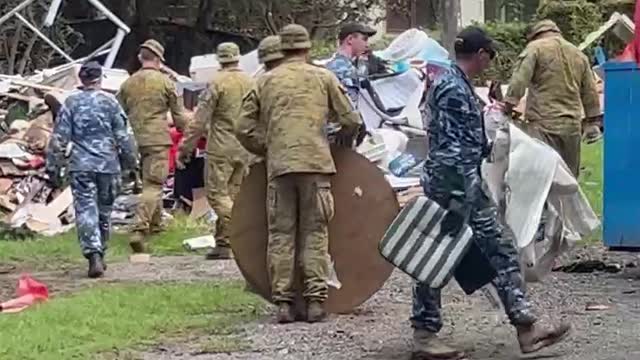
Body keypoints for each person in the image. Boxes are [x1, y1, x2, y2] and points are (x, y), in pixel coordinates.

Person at [413, 26, 571, 359]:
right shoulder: (454, 88)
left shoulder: (447, 81)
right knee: (496, 249)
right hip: (458, 184)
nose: (491, 62)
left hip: (448, 180)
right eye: (491, 55)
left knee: (437, 253)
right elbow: (459, 147)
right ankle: (524, 328)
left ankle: (428, 333)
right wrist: (470, 189)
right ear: (481, 55)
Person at [236, 24, 363, 324]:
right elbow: (351, 119)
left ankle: (283, 304)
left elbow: (242, 127)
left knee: (281, 234)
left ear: (282, 48)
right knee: (315, 233)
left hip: (279, 167)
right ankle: (316, 302)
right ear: (307, 48)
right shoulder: (323, 77)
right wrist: (338, 143)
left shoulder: (265, 81)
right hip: (316, 166)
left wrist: (267, 147)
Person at [46, 61, 137, 278]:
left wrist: (53, 167)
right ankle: (101, 251)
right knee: (104, 211)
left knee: (86, 209)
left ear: (81, 79)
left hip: (81, 165)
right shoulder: (111, 103)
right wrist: (131, 163)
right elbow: (124, 138)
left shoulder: (71, 103)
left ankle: (93, 254)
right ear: (100, 78)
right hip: (108, 165)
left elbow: (59, 139)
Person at [178, 42, 254, 260]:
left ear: (219, 59)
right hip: (244, 148)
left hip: (221, 148)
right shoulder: (251, 82)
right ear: (238, 57)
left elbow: (199, 121)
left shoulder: (217, 83)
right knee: (232, 196)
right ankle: (224, 244)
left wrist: (185, 148)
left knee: (217, 196)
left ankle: (245, 231)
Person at [504, 20, 602, 177]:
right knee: (569, 180)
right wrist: (593, 121)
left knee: (542, 179)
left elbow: (519, 81)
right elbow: (590, 92)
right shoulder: (578, 54)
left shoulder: (534, 48)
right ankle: (568, 203)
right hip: (571, 128)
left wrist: (508, 107)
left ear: (534, 36)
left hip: (543, 126)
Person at [117, 39, 189, 253]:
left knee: (148, 181)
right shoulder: (166, 83)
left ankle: (156, 226)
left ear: (141, 58)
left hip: (135, 141)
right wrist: (190, 136)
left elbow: (118, 113)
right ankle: (138, 230)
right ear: (158, 59)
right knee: (155, 185)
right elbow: (179, 117)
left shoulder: (127, 84)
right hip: (158, 139)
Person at [325, 23, 377, 104]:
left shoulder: (334, 65)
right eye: (364, 39)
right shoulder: (344, 70)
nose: (367, 45)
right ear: (350, 39)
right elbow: (350, 105)